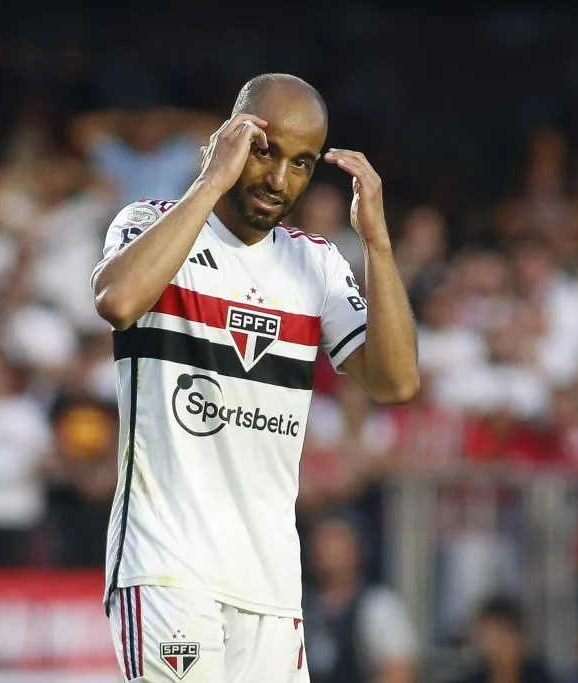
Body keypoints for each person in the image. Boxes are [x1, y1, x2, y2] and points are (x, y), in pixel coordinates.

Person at [90, 73, 419, 682]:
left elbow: (396, 382)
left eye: (301, 163)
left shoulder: (314, 263)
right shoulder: (149, 221)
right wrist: (212, 179)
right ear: (230, 138)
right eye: (265, 149)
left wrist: (375, 243)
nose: (278, 179)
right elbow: (118, 301)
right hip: (168, 566)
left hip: (269, 584)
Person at [302, 511, 420, 683]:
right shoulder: (302, 604)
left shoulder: (378, 605)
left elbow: (400, 671)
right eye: (321, 542)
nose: (327, 550)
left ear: (357, 548)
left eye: (337, 541)